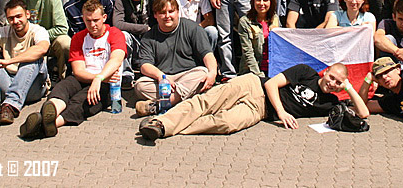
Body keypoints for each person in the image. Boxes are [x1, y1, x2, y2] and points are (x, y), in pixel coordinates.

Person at [138, 62, 368, 141]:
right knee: (206, 103)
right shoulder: (306, 71)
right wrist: (282, 112)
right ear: (325, 72)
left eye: (338, 82)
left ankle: (169, 125)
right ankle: (160, 124)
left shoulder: (330, 102)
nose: (332, 83)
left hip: (260, 110)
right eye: (331, 77)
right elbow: (271, 84)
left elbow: (363, 113)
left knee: (225, 124)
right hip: (253, 85)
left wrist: (349, 87)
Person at [19, 0, 126, 139]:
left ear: (104, 18)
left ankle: (49, 125)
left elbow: (116, 59)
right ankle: (51, 110)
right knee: (62, 88)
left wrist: (100, 79)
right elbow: (78, 71)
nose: (92, 25)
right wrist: (96, 78)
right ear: (83, 19)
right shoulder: (78, 37)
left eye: (96, 20)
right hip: (86, 78)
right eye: (88, 21)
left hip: (107, 83)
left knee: (81, 101)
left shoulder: (115, 33)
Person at [134, 0, 217, 116]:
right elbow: (144, 65)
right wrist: (161, 77)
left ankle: (164, 104)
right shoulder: (149, 36)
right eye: (162, 13)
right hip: (163, 79)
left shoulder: (192, 28)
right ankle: (186, 98)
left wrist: (213, 73)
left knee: (203, 73)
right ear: (155, 15)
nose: (167, 16)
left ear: (178, 12)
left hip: (187, 75)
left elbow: (207, 54)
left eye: (171, 11)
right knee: (140, 86)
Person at [13, 0, 70, 81]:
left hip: (49, 40)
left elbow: (62, 28)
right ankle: (16, 78)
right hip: (25, 40)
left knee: (65, 42)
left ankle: (62, 78)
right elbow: (10, 23)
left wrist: (40, 36)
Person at [111, 0, 161, 87]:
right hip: (134, 39)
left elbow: (163, 12)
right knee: (122, 35)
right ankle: (127, 76)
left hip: (153, 38)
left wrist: (152, 30)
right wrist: (145, 28)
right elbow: (117, 24)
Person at [238, 0, 280, 77]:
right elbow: (248, 52)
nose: (261, 3)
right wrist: (259, 75)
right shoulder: (245, 22)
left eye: (265, 0)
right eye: (258, 0)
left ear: (271, 2)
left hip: (273, 69)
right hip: (253, 71)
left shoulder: (275, 19)